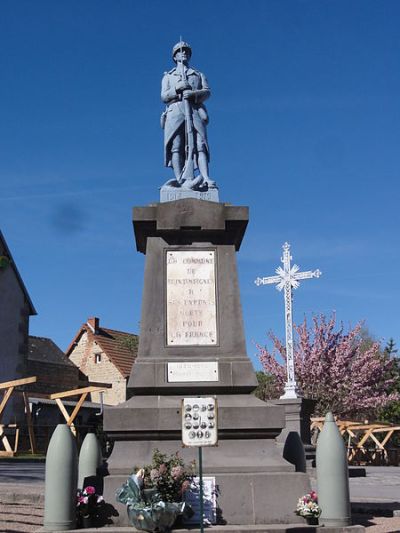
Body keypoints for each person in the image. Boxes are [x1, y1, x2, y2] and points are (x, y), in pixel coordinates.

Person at [161, 41, 216, 188]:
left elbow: (207, 92)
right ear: (175, 56)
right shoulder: (168, 76)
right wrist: (177, 89)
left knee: (200, 144)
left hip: (194, 109)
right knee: (176, 145)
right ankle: (180, 179)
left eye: (186, 51)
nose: (183, 53)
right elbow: (164, 97)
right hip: (176, 110)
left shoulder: (198, 74)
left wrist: (193, 94)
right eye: (180, 51)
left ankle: (205, 177)